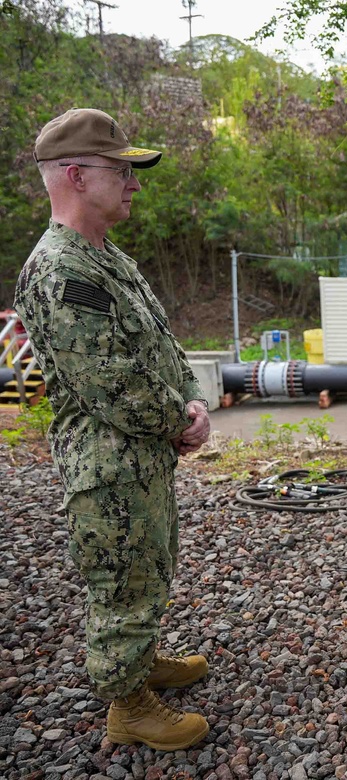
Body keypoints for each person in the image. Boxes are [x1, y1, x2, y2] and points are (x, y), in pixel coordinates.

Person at [14, 108, 212, 751]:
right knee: (122, 578)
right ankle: (127, 705)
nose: (133, 182)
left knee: (149, 565)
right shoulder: (61, 270)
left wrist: (190, 400)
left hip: (141, 455)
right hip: (109, 464)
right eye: (121, 169)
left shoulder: (104, 256)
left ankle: (141, 659)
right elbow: (112, 382)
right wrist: (178, 423)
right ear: (74, 174)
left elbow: (159, 344)